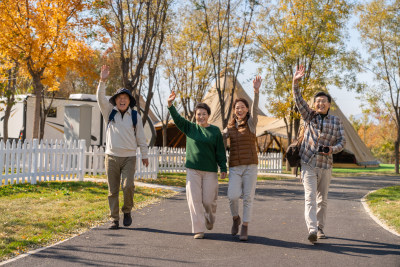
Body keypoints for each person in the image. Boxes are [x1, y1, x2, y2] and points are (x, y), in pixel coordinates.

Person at [292, 65, 346, 243]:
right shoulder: (309, 116)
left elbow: (342, 141)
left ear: (329, 105)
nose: (320, 104)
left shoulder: (336, 121)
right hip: (308, 163)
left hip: (326, 165)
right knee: (310, 198)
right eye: (318, 101)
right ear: (314, 104)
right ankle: (312, 229)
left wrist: (333, 149)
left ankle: (320, 227)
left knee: (322, 200)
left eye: (324, 101)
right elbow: (299, 100)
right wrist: (295, 83)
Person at [167, 91, 227, 239]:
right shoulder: (190, 128)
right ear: (195, 115)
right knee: (194, 200)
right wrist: (170, 105)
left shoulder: (215, 131)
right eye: (198, 114)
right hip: (193, 170)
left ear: (208, 115)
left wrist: (223, 167)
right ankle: (199, 229)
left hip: (210, 171)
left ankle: (210, 218)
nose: (201, 116)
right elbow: (178, 119)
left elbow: (220, 150)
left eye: (204, 114)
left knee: (208, 201)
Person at [97, 65, 149, 230]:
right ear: (116, 100)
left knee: (127, 186)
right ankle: (114, 219)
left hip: (129, 157)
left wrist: (144, 154)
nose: (122, 100)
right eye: (119, 97)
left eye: (125, 98)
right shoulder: (109, 113)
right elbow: (100, 98)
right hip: (111, 156)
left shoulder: (134, 116)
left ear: (129, 101)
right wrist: (102, 81)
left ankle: (127, 211)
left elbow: (141, 137)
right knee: (112, 190)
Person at [222, 76, 262, 241]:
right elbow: (218, 139)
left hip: (250, 167)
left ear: (247, 109)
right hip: (235, 167)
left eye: (242, 107)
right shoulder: (230, 127)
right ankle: (235, 218)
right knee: (232, 196)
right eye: (237, 108)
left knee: (248, 197)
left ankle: (245, 226)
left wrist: (256, 92)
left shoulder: (251, 124)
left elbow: (255, 109)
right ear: (234, 110)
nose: (239, 110)